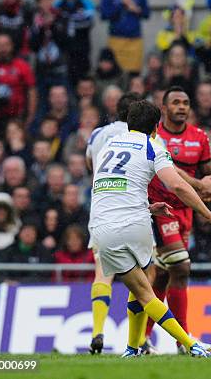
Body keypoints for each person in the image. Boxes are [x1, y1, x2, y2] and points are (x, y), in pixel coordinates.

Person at [88, 99, 211, 358]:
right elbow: (179, 186)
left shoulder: (106, 147)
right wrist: (209, 215)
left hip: (104, 226)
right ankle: (190, 344)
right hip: (134, 226)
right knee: (145, 291)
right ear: (156, 127)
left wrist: (149, 208)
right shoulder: (152, 147)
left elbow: (112, 188)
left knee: (139, 285)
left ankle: (132, 348)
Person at [142, 86, 211, 354]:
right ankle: (184, 340)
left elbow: (208, 173)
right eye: (175, 102)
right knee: (182, 267)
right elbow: (171, 171)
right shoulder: (154, 137)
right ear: (163, 108)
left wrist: (210, 186)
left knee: (164, 275)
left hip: (185, 212)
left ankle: (143, 338)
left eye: (186, 102)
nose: (182, 107)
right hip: (161, 210)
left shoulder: (200, 137)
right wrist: (199, 184)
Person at [85, 92, 143, 354]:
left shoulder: (98, 135)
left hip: (101, 210)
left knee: (103, 272)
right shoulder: (141, 138)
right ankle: (138, 340)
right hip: (132, 211)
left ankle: (98, 331)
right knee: (144, 277)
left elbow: (90, 165)